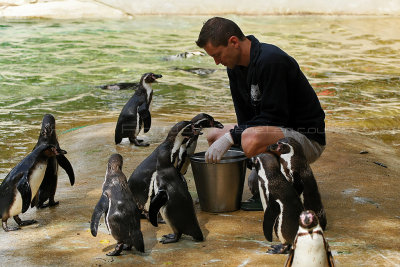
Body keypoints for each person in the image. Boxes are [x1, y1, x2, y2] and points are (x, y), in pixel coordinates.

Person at [196, 17, 326, 211]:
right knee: (215, 134)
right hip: (273, 132)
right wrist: (231, 140)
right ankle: (266, 180)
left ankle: (284, 182)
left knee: (248, 137)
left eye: (218, 55)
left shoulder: (271, 60)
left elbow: (274, 118)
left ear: (233, 42)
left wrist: (234, 138)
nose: (216, 62)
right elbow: (245, 120)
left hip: (305, 138)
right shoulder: (234, 69)